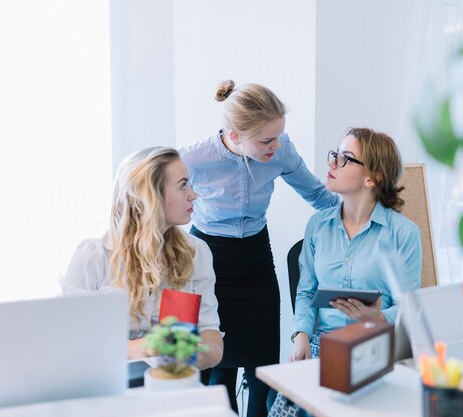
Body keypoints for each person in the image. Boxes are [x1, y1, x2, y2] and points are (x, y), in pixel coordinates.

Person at [180, 80, 339, 417]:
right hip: (207, 259)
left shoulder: (282, 151)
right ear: (234, 135)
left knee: (262, 368)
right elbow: (161, 201)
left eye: (279, 136)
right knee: (216, 366)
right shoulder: (193, 158)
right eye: (266, 140)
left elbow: (318, 196)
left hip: (255, 260)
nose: (276, 146)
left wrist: (356, 217)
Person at [268, 127, 422, 416]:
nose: (332, 163)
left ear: (372, 177)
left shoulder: (404, 234)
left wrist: (377, 317)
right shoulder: (317, 226)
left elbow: (410, 310)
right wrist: (300, 334)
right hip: (321, 348)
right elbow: (306, 290)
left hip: (377, 350)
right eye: (335, 155)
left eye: (345, 158)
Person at [60, 147, 223, 370]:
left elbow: (211, 337)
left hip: (169, 384)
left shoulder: (196, 253)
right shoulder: (93, 258)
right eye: (183, 185)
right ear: (150, 197)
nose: (193, 194)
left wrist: (195, 352)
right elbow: (68, 343)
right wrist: (147, 347)